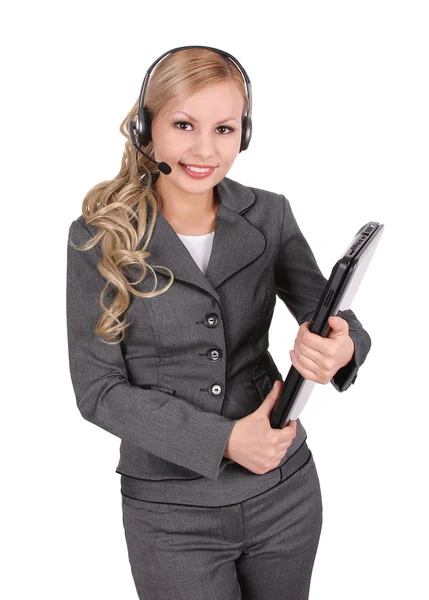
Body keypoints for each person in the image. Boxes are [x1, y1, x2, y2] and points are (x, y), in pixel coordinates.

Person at [66, 45, 371, 600]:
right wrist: (226, 439)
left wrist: (342, 348)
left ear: (244, 134)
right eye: (183, 124)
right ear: (145, 126)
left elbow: (331, 314)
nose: (205, 149)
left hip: (284, 494)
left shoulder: (269, 214)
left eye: (225, 129)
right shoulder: (99, 236)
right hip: (170, 515)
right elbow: (98, 392)